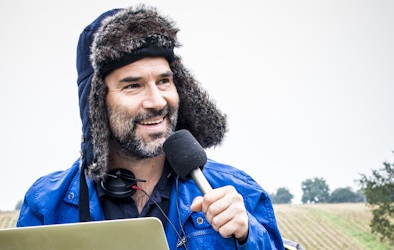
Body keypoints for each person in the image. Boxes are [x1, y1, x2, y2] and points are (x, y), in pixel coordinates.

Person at [17, 4, 285, 249]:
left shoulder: (238, 192)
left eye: (164, 81)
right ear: (97, 103)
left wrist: (249, 238)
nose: (157, 101)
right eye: (133, 85)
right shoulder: (47, 204)